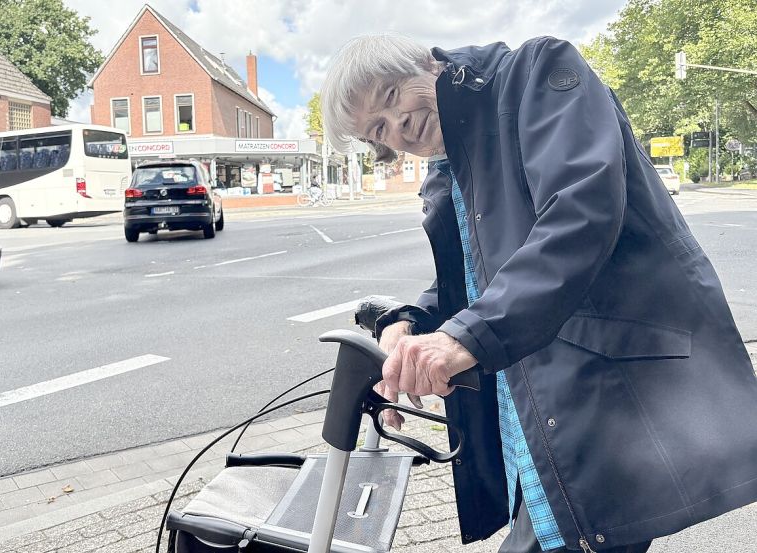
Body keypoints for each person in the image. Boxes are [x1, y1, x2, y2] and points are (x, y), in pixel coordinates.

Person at [321, 34, 757, 553]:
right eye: (379, 128)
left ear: (426, 63)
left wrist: (467, 337)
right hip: (539, 398)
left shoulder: (536, 74)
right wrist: (409, 321)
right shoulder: (451, 167)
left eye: (392, 96)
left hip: (602, 389)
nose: (400, 127)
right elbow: (474, 282)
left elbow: (581, 213)